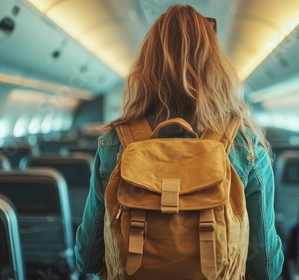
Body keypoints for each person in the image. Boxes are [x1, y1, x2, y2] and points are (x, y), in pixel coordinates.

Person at [75, 4, 284, 279]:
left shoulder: (115, 143)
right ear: (216, 67)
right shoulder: (243, 145)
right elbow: (267, 266)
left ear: (146, 67)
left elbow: (88, 258)